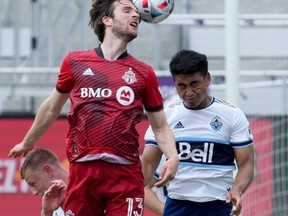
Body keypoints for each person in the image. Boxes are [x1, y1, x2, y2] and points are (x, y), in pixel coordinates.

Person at [8, 1, 178, 215]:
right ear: (106, 20)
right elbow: (52, 107)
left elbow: (160, 127)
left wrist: (172, 156)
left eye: (137, 12)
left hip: (125, 174)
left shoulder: (144, 73)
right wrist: (27, 142)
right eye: (127, 11)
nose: (136, 16)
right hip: (83, 172)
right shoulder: (75, 62)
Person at [143, 49, 254, 216]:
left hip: (219, 206)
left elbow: (246, 163)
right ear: (174, 82)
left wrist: (237, 189)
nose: (188, 92)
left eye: (195, 84)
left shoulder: (232, 115)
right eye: (182, 85)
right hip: (177, 206)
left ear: (207, 79)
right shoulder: (165, 118)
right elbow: (148, 166)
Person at [20, 148, 68, 216]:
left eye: (33, 184)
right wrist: (47, 213)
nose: (34, 192)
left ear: (48, 171)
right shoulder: (53, 208)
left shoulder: (86, 189)